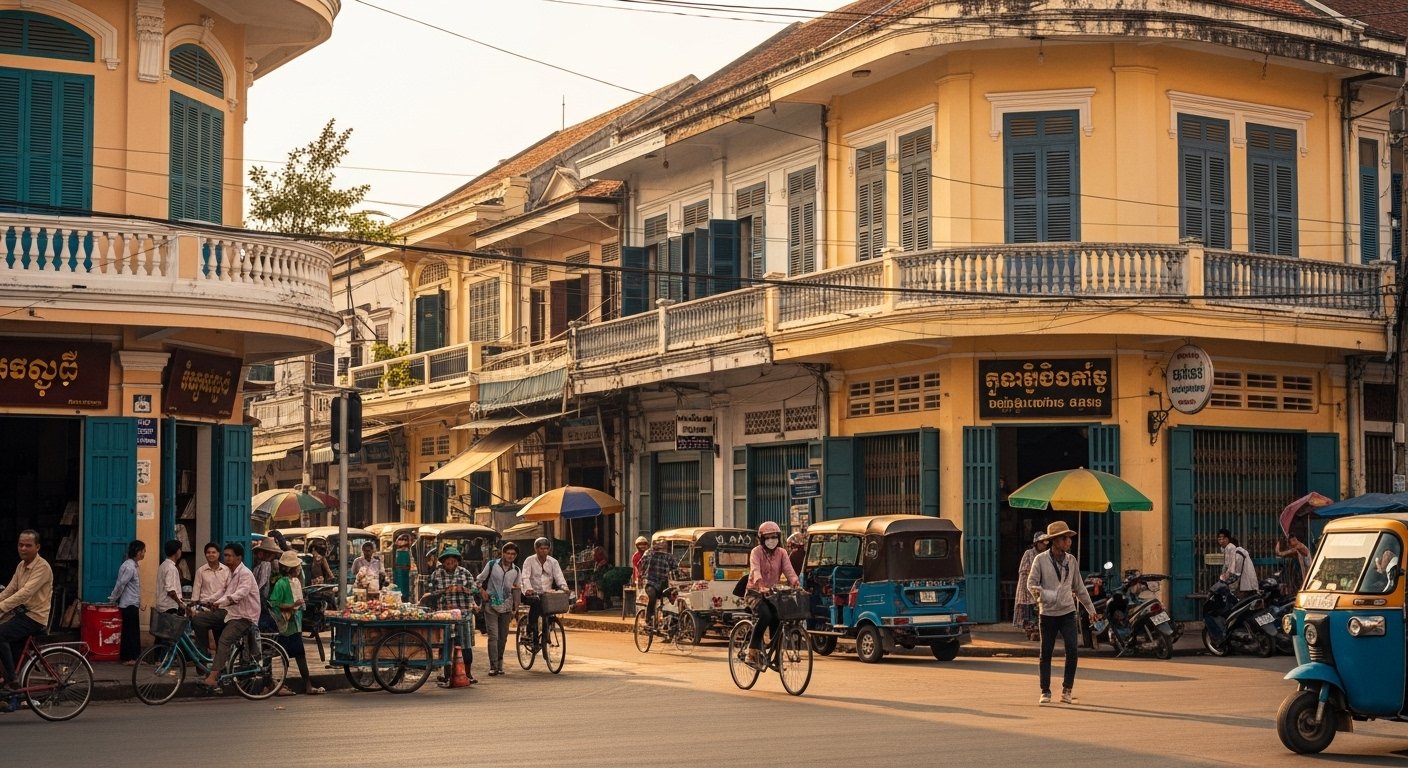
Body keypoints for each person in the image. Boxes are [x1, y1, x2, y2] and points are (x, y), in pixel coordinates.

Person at [1026, 521, 1100, 706]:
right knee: (1046, 653)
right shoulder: (1040, 560)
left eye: (1069, 538)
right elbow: (1031, 584)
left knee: (1072, 651)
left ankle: (1067, 690)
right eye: (1064, 538)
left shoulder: (1071, 560)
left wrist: (1091, 609)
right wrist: (1045, 595)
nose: (1069, 541)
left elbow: (1079, 588)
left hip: (1068, 612)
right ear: (1054, 541)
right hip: (1048, 613)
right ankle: (1045, 690)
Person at [198, 543, 260, 690]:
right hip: (232, 614)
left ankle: (213, 677)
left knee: (224, 640)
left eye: (229, 555)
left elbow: (238, 595)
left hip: (244, 616)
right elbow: (222, 591)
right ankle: (212, 661)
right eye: (225, 555)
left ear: (239, 557)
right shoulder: (231, 573)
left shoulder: (245, 574)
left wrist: (219, 603)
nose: (226, 558)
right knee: (201, 620)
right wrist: (205, 602)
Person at [0, 530, 51, 691]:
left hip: (34, 617)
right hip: (21, 614)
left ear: (37, 547)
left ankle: (12, 680)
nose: (23, 548)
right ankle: (12, 690)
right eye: (21, 545)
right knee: (12, 653)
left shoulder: (42, 567)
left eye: (28, 545)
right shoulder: (21, 566)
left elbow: (25, 593)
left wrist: (1, 607)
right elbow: (10, 590)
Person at [745, 520, 800, 666]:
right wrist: (760, 583)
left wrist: (795, 581)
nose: (771, 540)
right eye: (768, 537)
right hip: (755, 593)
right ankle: (752, 652)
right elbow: (755, 569)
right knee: (766, 615)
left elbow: (789, 570)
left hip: (773, 594)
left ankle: (776, 656)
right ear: (762, 539)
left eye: (774, 537)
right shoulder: (756, 552)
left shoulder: (782, 553)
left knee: (778, 617)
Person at [270, 550, 323, 696]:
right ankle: (297, 685)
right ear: (290, 568)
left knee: (295, 655)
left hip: (296, 623)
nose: (299, 568)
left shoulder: (297, 582)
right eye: (297, 566)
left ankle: (297, 685)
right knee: (292, 655)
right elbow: (274, 603)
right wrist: (292, 605)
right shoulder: (281, 583)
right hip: (286, 625)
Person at [425, 547, 478, 684]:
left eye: (453, 561)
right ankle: (447, 674)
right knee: (446, 644)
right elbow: (430, 591)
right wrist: (444, 591)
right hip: (445, 614)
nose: (450, 563)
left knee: (465, 644)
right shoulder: (436, 574)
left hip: (464, 613)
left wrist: (463, 589)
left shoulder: (465, 573)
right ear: (443, 562)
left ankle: (468, 674)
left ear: (456, 562)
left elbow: (474, 589)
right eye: (447, 561)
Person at [475, 542, 521, 676]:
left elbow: (517, 589)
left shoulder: (516, 570)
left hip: (507, 607)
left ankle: (500, 663)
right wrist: (482, 591)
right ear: (503, 553)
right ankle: (493, 665)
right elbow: (478, 581)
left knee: (503, 638)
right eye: (508, 553)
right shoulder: (491, 565)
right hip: (491, 605)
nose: (510, 556)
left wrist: (516, 608)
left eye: (513, 554)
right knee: (493, 636)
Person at [520, 537, 568, 650]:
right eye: (541, 548)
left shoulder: (553, 562)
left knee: (550, 610)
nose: (544, 551)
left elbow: (559, 576)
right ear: (536, 549)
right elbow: (525, 576)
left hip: (546, 593)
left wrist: (564, 588)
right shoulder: (529, 560)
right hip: (531, 592)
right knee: (536, 604)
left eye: (546, 548)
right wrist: (528, 589)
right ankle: (530, 629)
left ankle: (547, 632)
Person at [109, 540, 145, 664]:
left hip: (132, 603)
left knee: (134, 632)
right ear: (137, 551)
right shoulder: (129, 567)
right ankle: (127, 658)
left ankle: (135, 657)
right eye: (143, 551)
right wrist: (113, 598)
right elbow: (121, 584)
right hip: (128, 604)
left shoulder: (133, 566)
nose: (144, 553)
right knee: (129, 632)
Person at [637, 538, 679, 629]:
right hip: (650, 583)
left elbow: (675, 569)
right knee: (652, 596)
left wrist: (677, 578)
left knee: (672, 600)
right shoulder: (649, 554)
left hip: (664, 583)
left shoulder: (668, 556)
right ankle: (648, 619)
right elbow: (640, 564)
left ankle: (669, 623)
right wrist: (642, 574)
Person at [1014, 531, 1048, 640]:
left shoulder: (1045, 555)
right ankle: (1030, 630)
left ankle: (1038, 630)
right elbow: (1022, 569)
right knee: (1028, 609)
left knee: (1039, 608)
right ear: (1036, 543)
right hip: (1026, 586)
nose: (1044, 545)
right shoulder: (1028, 553)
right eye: (1041, 542)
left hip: (1040, 586)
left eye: (1045, 543)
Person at [1216, 529, 1259, 598]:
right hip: (1241, 587)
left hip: (1246, 587)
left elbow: (1236, 573)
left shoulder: (1238, 554)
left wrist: (1227, 584)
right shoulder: (1233, 554)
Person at [155, 539, 184, 616]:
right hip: (169, 607)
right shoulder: (171, 568)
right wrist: (179, 603)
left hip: (162, 605)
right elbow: (170, 590)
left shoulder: (163, 565)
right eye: (180, 549)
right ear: (177, 551)